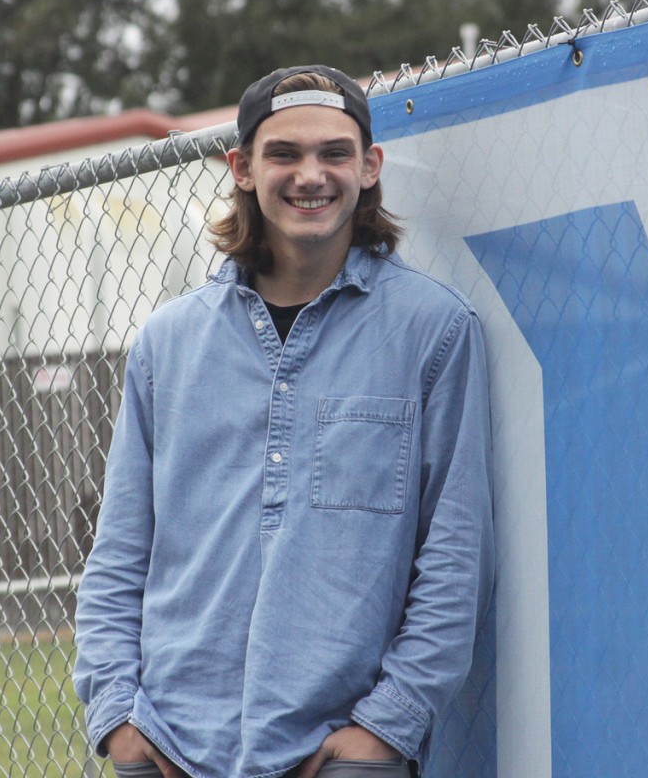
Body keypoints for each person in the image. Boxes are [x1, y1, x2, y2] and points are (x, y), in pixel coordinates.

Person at [73, 64, 495, 778]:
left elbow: (455, 558)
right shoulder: (165, 344)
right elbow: (117, 553)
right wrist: (117, 717)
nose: (311, 175)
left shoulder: (435, 331)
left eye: (334, 152)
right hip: (171, 745)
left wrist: (386, 728)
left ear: (369, 167)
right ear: (240, 168)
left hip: (337, 753)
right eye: (284, 154)